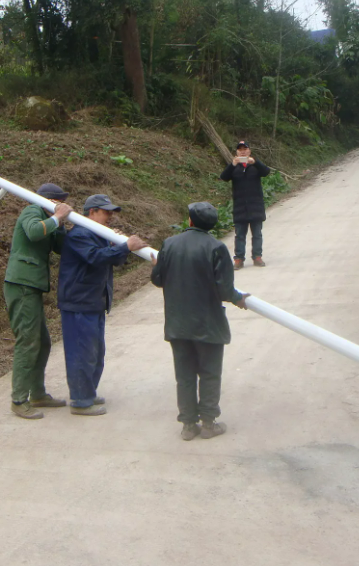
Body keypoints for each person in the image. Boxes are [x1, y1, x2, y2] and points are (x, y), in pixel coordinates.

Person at [150, 202, 249, 441]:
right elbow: (224, 290)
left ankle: (187, 425)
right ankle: (208, 422)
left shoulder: (169, 244)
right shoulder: (216, 247)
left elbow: (158, 279)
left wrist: (158, 266)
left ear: (190, 221)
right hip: (208, 324)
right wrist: (239, 298)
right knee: (209, 373)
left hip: (177, 324)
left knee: (184, 375)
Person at [57, 194, 148, 416]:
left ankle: (88, 392)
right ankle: (80, 400)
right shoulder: (80, 234)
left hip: (94, 301)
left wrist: (120, 246)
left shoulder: (97, 234)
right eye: (106, 212)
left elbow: (114, 260)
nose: (110, 217)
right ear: (92, 212)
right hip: (79, 302)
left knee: (95, 352)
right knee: (82, 352)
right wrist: (124, 246)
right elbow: (96, 257)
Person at [4, 183, 74, 420]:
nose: (63, 206)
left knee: (42, 342)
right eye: (59, 202)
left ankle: (38, 393)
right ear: (50, 201)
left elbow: (60, 248)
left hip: (31, 286)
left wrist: (61, 225)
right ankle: (18, 399)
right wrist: (57, 217)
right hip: (21, 285)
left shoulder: (49, 219)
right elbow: (34, 232)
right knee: (29, 340)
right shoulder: (32, 211)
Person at [219, 139, 271, 270]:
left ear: (249, 151)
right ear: (237, 152)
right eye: (240, 149)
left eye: (245, 149)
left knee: (257, 234)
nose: (242, 151)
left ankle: (257, 257)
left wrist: (255, 162)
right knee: (239, 235)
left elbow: (266, 172)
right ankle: (239, 259)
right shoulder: (234, 167)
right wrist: (232, 164)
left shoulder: (255, 166)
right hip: (240, 207)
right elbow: (224, 177)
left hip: (255, 206)